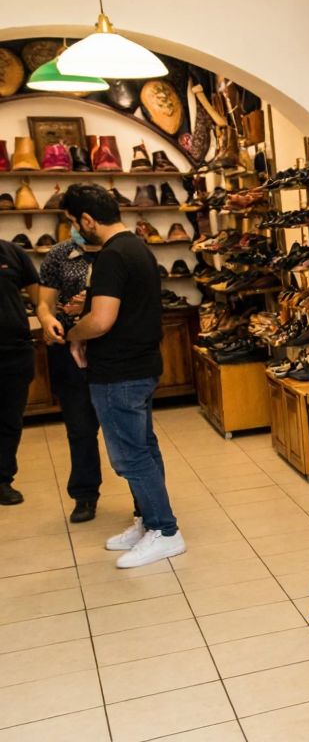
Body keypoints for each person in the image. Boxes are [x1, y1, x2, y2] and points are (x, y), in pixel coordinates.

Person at [60, 184, 184, 568]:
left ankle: (165, 530)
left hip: (119, 373)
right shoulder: (137, 246)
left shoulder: (113, 255)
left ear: (87, 219)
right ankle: (149, 521)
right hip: (139, 365)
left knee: (131, 457)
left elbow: (101, 321)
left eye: (74, 224)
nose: (74, 233)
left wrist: (74, 335)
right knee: (143, 448)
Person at [35, 225, 105, 522]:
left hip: (109, 347)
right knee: (79, 427)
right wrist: (48, 319)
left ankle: (143, 497)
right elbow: (43, 304)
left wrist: (90, 306)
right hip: (67, 347)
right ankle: (85, 495)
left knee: (125, 427)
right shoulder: (60, 254)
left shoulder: (117, 251)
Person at [0, 236, 39, 507]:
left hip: (14, 351)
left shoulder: (12, 252)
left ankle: (2, 480)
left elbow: (40, 300)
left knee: (10, 421)